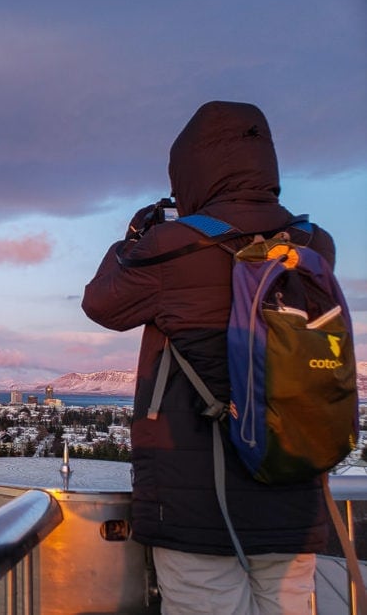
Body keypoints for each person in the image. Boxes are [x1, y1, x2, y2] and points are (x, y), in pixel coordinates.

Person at [82, 101, 334, 614]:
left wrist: (136, 237)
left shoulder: (173, 246)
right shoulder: (312, 245)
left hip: (197, 502)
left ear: (191, 171)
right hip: (294, 488)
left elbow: (101, 302)